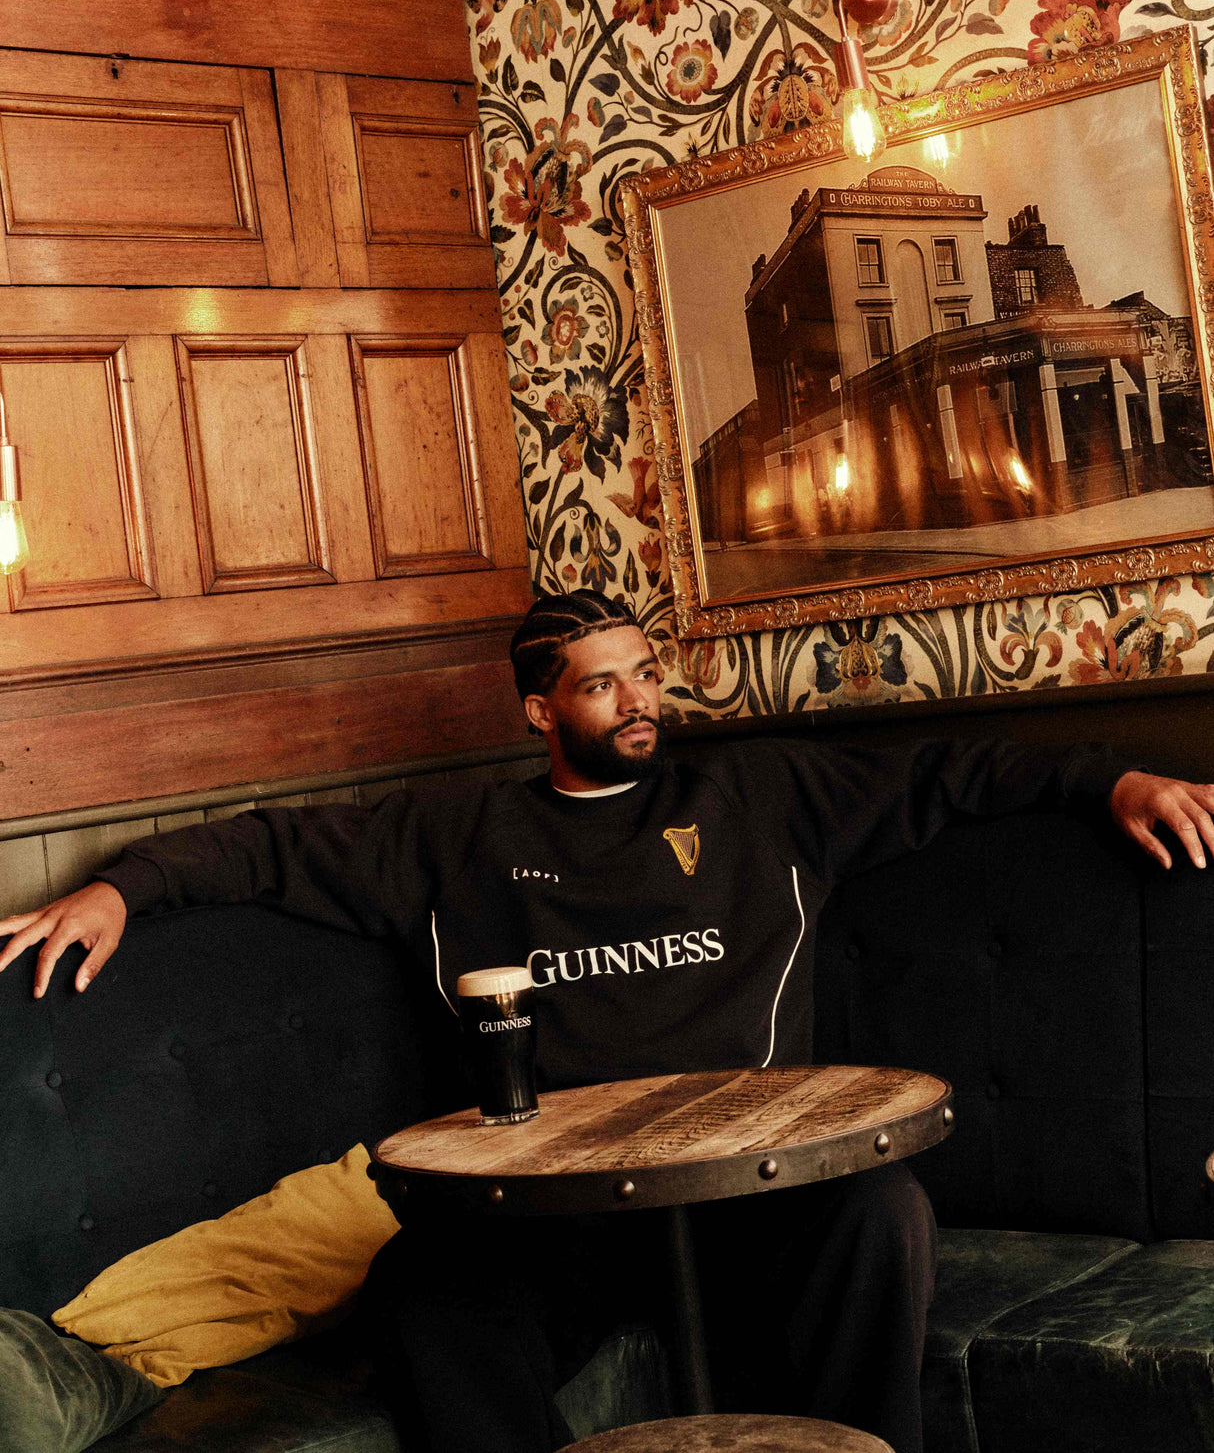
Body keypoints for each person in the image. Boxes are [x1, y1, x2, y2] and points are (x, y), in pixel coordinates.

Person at [2, 589, 1213, 1453]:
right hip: (558, 1213)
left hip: (753, 1192)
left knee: (879, 1213)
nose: (640, 701)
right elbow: (265, 846)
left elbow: (957, 772)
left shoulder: (758, 792)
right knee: (422, 1289)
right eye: (601, 684)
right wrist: (120, 891)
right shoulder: (452, 835)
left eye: (644, 672)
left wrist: (1112, 778)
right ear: (539, 711)